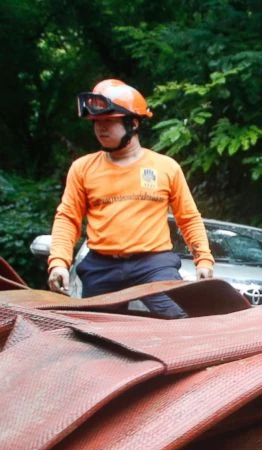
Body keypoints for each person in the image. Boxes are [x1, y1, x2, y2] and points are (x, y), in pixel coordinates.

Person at [47, 79, 214, 318]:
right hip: (101, 266)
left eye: (109, 121)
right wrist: (59, 263)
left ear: (133, 123)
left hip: (154, 264)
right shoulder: (82, 168)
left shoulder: (166, 167)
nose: (100, 128)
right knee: (96, 332)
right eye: (96, 122)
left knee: (180, 320)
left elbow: (188, 218)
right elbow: (67, 218)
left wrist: (204, 261)